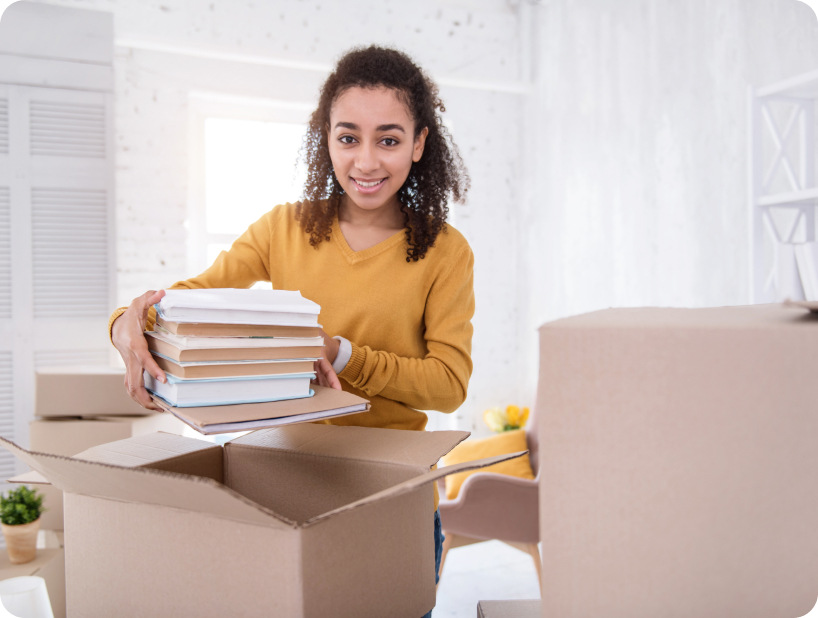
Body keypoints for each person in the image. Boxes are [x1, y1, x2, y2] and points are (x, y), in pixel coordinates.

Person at [109, 45, 473, 614]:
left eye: (389, 139)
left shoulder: (444, 251)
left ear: (419, 143)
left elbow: (449, 383)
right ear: (325, 137)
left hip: (391, 493)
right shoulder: (284, 228)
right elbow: (185, 303)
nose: (367, 162)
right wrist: (123, 325)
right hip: (285, 484)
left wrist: (343, 353)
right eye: (348, 137)